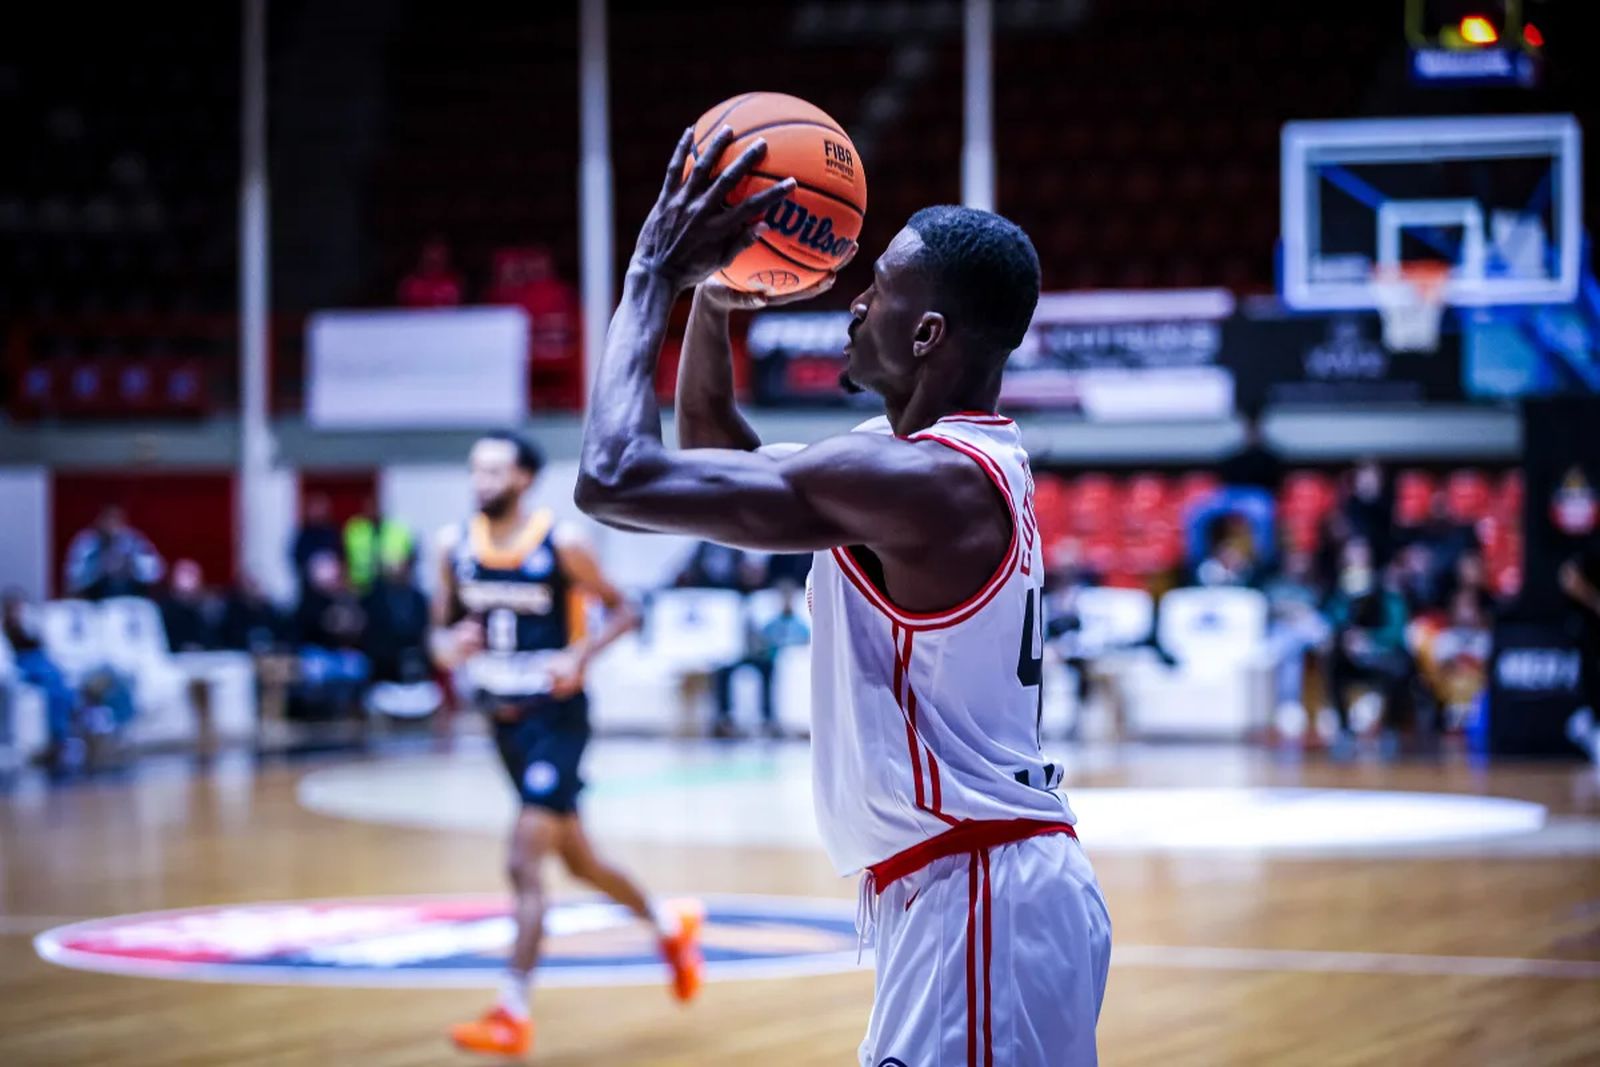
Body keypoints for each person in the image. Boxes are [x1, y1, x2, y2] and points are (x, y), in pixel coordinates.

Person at [576, 129, 1109, 1066]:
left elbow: (614, 477)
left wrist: (651, 274)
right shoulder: (921, 466)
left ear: (927, 334)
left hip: (978, 895)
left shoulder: (923, 484)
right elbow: (710, 444)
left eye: (881, 289)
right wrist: (712, 298)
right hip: (968, 892)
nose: (855, 301)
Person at [435, 431, 695, 1058]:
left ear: (524, 478)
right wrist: (449, 648)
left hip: (556, 718)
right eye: (476, 470)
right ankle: (669, 926)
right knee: (580, 861)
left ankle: (510, 1012)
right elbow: (437, 635)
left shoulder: (563, 542)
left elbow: (624, 611)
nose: (482, 481)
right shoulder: (452, 547)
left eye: (495, 470)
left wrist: (581, 655)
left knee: (524, 863)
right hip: (501, 721)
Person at [1324, 539, 1414, 755]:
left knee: (1399, 667)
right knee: (1332, 662)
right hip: (1350, 657)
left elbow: (1396, 630)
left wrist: (1370, 640)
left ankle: (1390, 729)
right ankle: (1345, 729)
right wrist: (1347, 636)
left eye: (1361, 555)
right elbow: (1331, 622)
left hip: (1381, 656)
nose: (1356, 561)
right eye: (1351, 555)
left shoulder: (1386, 591)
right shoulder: (1339, 592)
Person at [711, 579, 810, 738]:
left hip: (781, 663)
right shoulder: (772, 624)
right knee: (725, 670)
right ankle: (726, 718)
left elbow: (803, 643)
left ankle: (769, 718)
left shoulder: (800, 624)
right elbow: (762, 643)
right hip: (763, 658)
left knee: (769, 672)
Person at [2, 588, 79, 768]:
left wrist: (31, 626)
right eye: (15, 608)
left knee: (61, 685)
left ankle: (68, 734)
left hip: (40, 660)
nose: (19, 611)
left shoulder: (30, 626)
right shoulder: (5, 628)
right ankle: (59, 739)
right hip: (23, 664)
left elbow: (43, 645)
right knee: (51, 682)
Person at [63, 506, 165, 600]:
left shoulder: (134, 541)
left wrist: (130, 565)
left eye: (116, 521)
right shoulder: (87, 543)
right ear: (99, 522)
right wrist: (100, 567)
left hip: (132, 601)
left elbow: (156, 573)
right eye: (108, 521)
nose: (112, 526)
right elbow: (73, 578)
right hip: (95, 603)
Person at [342, 498, 413, 596]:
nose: (373, 510)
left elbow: (408, 561)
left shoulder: (397, 530)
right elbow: (344, 558)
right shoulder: (355, 529)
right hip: (361, 588)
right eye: (370, 507)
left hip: (390, 586)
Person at [291, 494, 342, 592]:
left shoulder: (331, 531)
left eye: (321, 508)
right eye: (315, 508)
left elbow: (340, 553)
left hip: (331, 586)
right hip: (310, 585)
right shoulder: (304, 534)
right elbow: (296, 556)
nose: (318, 511)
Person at [397, 237, 464, 308]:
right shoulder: (408, 284)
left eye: (440, 253)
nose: (434, 256)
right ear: (422, 254)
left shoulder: (455, 283)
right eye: (431, 251)